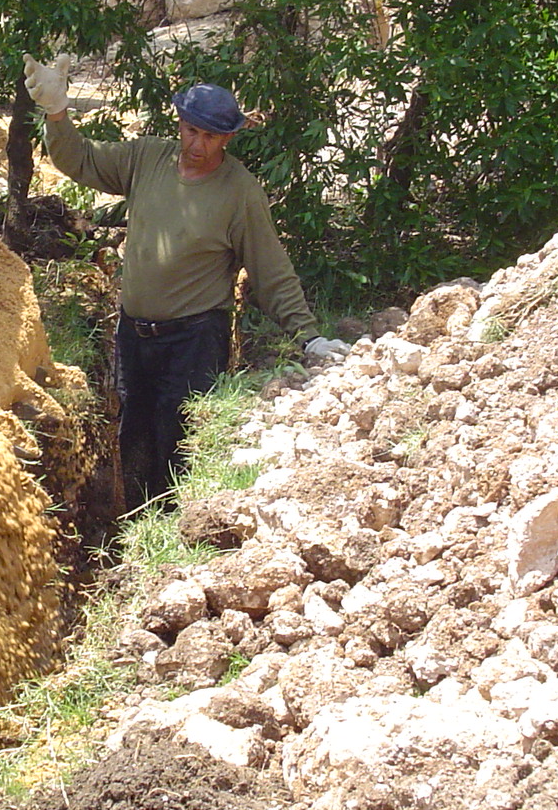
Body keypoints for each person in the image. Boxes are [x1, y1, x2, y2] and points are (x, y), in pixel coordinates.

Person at [22, 53, 350, 508]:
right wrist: (56, 112)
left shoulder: (239, 192)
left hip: (195, 339)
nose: (198, 144)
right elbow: (82, 162)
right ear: (179, 123)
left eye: (211, 136)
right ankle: (137, 530)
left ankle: (180, 535)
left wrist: (308, 337)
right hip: (134, 335)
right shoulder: (147, 157)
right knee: (134, 436)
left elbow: (270, 270)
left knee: (179, 442)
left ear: (229, 138)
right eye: (191, 130)